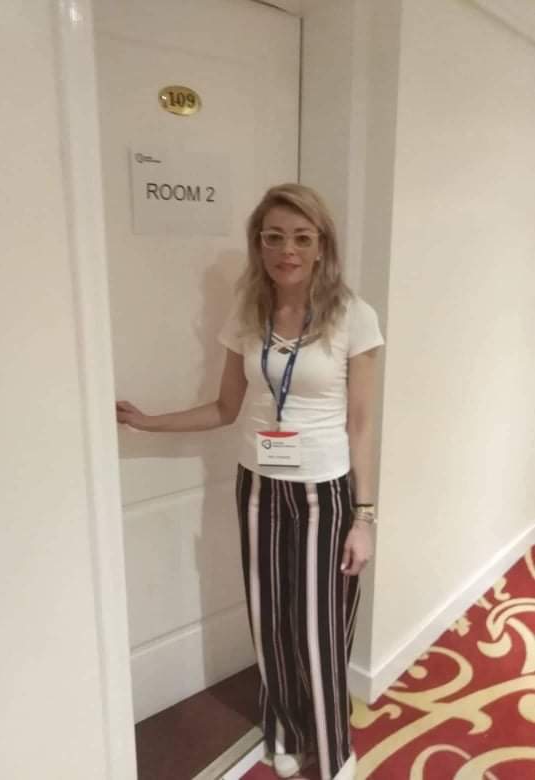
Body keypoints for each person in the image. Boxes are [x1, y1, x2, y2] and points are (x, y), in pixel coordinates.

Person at [116, 183, 384, 780]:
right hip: (258, 485)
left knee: (318, 629)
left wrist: (365, 517)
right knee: (270, 619)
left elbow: (362, 425)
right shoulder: (248, 314)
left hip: (323, 491)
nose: (287, 250)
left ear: (322, 246)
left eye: (302, 238)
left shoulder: (354, 316)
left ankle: (334, 753)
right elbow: (224, 408)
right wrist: (148, 422)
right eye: (274, 237)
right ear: (258, 244)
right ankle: (284, 728)